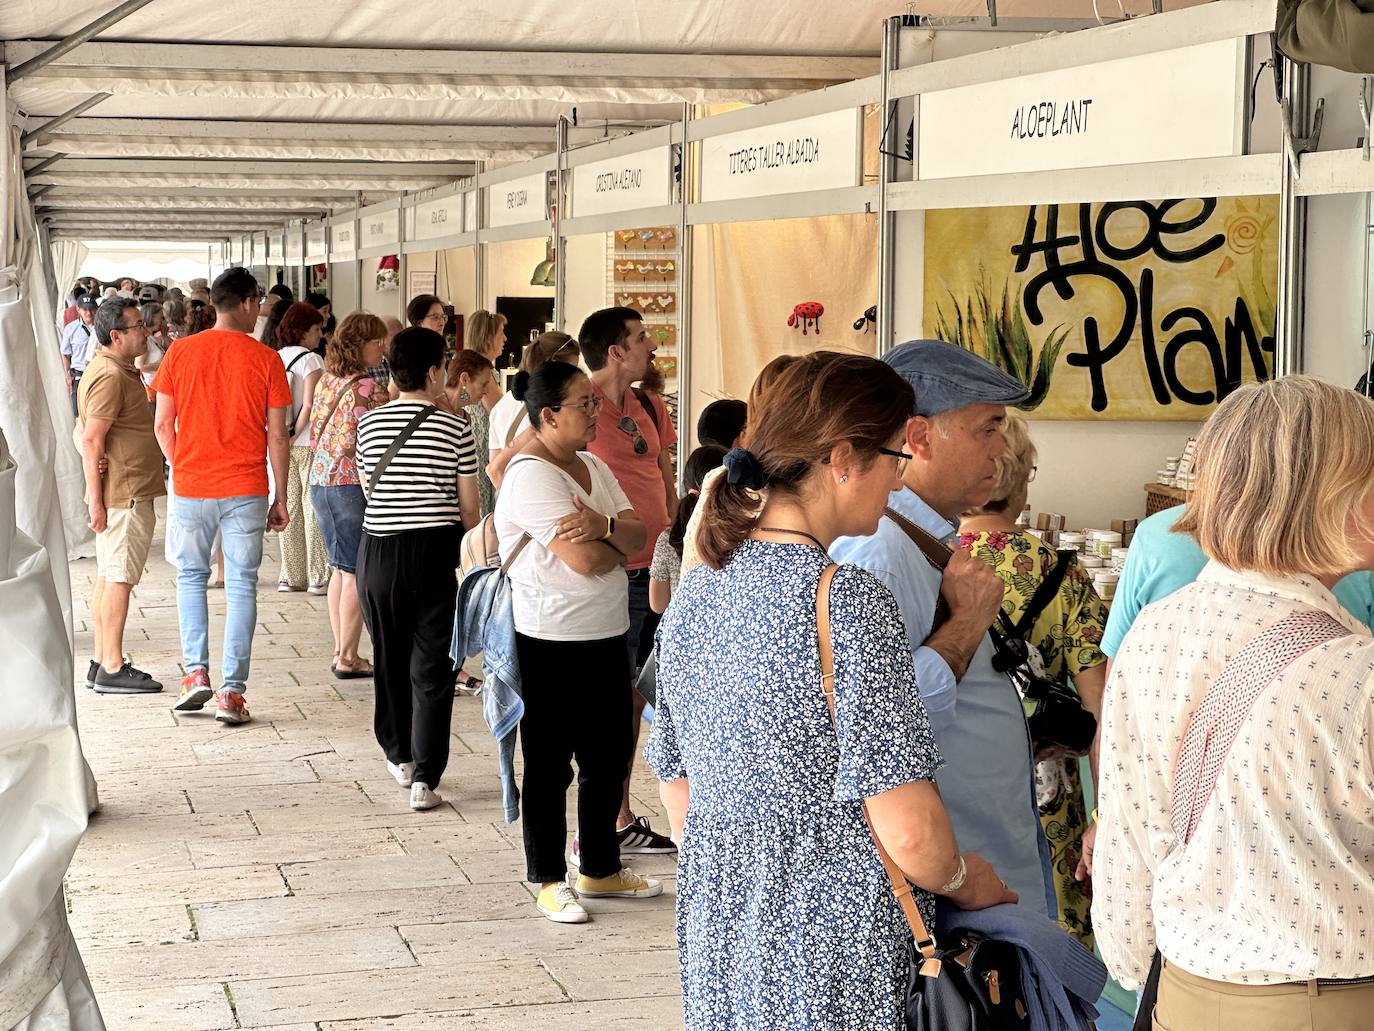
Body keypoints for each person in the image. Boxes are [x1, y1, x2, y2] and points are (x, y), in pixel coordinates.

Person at [647, 351, 1017, 1030]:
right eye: (892, 455)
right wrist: (970, 879)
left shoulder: (698, 587)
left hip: (721, 930)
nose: (898, 474)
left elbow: (679, 795)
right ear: (843, 459)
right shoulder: (844, 600)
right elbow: (909, 828)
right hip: (832, 946)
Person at [1094, 376, 1374, 1029]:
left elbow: (1132, 832)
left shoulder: (1155, 631)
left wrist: (1146, 974)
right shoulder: (1354, 669)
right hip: (1333, 1000)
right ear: (1328, 496)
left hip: (1187, 991)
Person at [830, 338, 1054, 917]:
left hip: (977, 860)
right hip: (952, 884)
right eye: (987, 429)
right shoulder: (880, 550)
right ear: (920, 437)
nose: (1000, 449)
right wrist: (968, 625)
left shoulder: (921, 537)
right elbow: (878, 735)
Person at [494, 360, 662, 923]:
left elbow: (641, 534)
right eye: (583, 405)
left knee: (608, 757)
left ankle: (600, 867)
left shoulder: (592, 463)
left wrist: (607, 527)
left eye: (595, 402)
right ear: (548, 415)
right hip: (551, 638)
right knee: (548, 765)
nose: (595, 413)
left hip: (608, 632)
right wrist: (607, 537)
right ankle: (546, 877)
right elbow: (586, 561)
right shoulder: (530, 474)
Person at [958, 412, 1107, 947]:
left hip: (957, 792)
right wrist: (1102, 814)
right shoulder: (1063, 572)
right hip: (1050, 802)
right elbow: (1098, 709)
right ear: (1019, 479)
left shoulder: (934, 561)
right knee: (1052, 951)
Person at [153, 267, 291, 725]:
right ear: (249, 303)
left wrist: (181, 465)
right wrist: (281, 496)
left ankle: (195, 675)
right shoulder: (266, 360)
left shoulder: (180, 353)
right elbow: (278, 437)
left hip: (192, 486)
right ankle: (232, 693)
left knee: (192, 578)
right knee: (241, 585)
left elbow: (161, 425)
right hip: (246, 488)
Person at [356, 327, 480, 811]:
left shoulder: (369, 426)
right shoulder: (456, 428)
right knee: (434, 664)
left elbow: (371, 492)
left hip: (380, 551)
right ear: (432, 373)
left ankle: (398, 753)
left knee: (388, 654)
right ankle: (426, 777)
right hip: (435, 552)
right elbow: (469, 507)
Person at [578, 306, 679, 856]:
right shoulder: (579, 403)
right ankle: (611, 817)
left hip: (658, 568)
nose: (652, 347)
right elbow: (513, 466)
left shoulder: (647, 403)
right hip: (613, 572)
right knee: (619, 699)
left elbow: (662, 472)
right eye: (642, 339)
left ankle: (618, 814)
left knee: (643, 695)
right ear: (616, 352)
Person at [78, 297, 167, 694]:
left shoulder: (114, 369)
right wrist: (95, 501)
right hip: (124, 493)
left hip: (123, 489)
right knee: (118, 579)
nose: (145, 331)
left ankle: (102, 658)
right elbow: (92, 439)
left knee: (108, 577)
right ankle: (112, 664)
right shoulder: (111, 375)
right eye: (137, 326)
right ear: (116, 335)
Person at [308, 310, 389, 680]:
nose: (383, 348)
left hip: (321, 481)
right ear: (359, 345)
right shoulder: (370, 388)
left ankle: (341, 649)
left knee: (339, 569)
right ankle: (348, 656)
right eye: (377, 341)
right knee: (356, 570)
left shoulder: (327, 379)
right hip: (351, 485)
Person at [272, 302, 329, 594]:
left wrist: (283, 435)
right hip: (307, 442)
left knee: (287, 503)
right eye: (317, 328)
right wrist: (296, 433)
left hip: (278, 442)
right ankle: (318, 575)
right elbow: (311, 403)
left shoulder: (274, 357)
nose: (320, 334)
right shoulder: (312, 360)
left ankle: (290, 575)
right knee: (312, 506)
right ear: (304, 330)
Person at [488, 330, 580, 487]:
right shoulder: (550, 409)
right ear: (555, 365)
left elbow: (496, 471)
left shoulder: (502, 406)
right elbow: (495, 469)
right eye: (572, 370)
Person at [649, 444, 727, 614]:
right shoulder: (734, 537)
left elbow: (657, 604)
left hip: (680, 634)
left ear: (686, 484)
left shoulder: (669, 539)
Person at [465, 310, 507, 517]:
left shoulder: (474, 366)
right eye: (501, 332)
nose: (505, 338)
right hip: (482, 443)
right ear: (488, 338)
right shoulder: (483, 372)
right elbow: (500, 412)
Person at [60, 295, 99, 417]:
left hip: (98, 374)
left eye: (92, 309)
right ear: (78, 309)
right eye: (85, 309)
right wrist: (67, 376)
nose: (89, 313)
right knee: (78, 413)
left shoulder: (101, 328)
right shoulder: (71, 329)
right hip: (79, 375)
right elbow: (65, 354)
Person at [134, 301, 168, 405]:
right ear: (151, 317)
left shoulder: (152, 337)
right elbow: (139, 366)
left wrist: (165, 335)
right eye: (160, 317)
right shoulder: (145, 339)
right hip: (152, 386)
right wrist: (161, 366)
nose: (162, 321)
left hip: (158, 385)